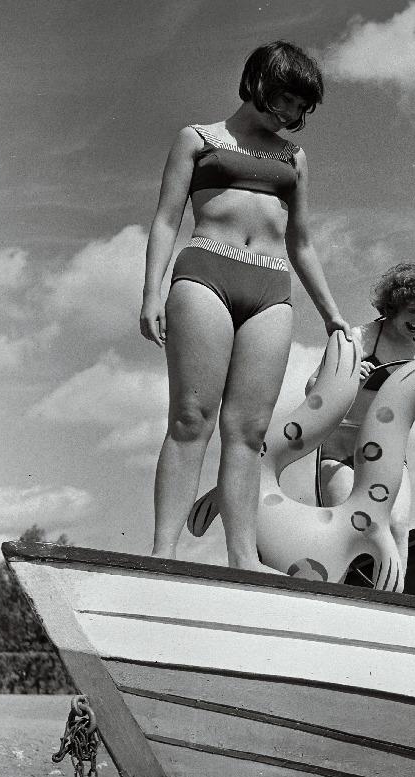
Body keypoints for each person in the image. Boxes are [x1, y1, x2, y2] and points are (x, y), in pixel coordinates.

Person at [140, 41, 351, 570]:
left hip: (271, 290)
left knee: (249, 433)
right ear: (260, 84)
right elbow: (167, 219)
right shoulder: (198, 139)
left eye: (304, 107)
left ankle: (242, 558)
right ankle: (165, 553)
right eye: (289, 99)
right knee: (191, 418)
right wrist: (151, 291)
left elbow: (301, 241)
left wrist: (331, 313)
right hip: (206, 272)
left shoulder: (293, 158)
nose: (295, 114)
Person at [307, 263, 415, 570]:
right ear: (393, 305)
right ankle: (334, 603)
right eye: (414, 310)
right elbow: (312, 391)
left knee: (397, 528)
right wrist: (347, 379)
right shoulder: (357, 339)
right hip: (340, 451)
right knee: (348, 530)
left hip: (388, 455)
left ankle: (393, 608)